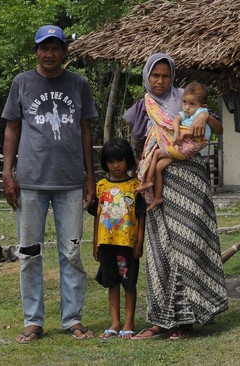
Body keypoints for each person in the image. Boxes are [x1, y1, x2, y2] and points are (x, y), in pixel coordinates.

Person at [2, 24, 97, 343]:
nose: (50, 54)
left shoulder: (78, 84)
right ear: (36, 52)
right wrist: (7, 173)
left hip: (71, 182)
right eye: (44, 48)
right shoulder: (22, 83)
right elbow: (12, 130)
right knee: (29, 253)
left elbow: (85, 131)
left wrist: (91, 176)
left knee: (71, 254)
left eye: (56, 48)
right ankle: (33, 321)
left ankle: (72, 318)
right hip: (30, 182)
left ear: (65, 52)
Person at [123, 53, 228, 341]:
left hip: (190, 181)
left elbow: (217, 130)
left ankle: (187, 320)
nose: (160, 81)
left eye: (165, 75)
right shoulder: (142, 107)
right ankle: (159, 320)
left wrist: (206, 114)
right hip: (157, 182)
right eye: (155, 75)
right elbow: (137, 143)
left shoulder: (188, 98)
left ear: (172, 77)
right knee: (160, 252)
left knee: (188, 245)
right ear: (147, 76)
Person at [93, 137, 146, 340]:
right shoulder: (101, 186)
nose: (116, 166)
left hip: (128, 244)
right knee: (112, 283)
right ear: (105, 162)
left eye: (120, 161)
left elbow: (141, 216)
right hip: (106, 243)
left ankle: (128, 323)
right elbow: (97, 215)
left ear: (128, 161)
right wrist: (96, 242)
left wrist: (139, 242)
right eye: (111, 161)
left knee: (129, 283)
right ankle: (115, 323)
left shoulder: (136, 186)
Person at [137, 80, 212, 211]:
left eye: (192, 104)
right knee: (159, 167)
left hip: (189, 148)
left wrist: (184, 134)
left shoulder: (201, 113)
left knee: (157, 153)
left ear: (202, 106)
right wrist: (177, 132)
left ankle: (148, 180)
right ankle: (158, 197)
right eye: (184, 103)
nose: (187, 107)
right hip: (181, 149)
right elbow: (176, 119)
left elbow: (200, 133)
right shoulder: (186, 112)